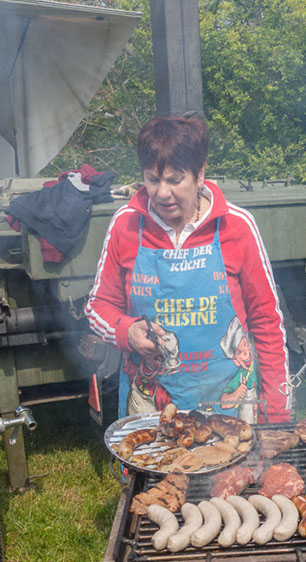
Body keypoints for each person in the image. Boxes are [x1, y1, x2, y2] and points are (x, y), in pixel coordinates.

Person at [85, 114, 290, 422]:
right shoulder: (125, 225)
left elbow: (267, 323)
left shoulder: (237, 226)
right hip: (150, 407)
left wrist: (277, 415)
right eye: (152, 179)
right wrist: (126, 331)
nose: (162, 193)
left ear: (200, 173)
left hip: (227, 412)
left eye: (175, 179)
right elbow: (97, 307)